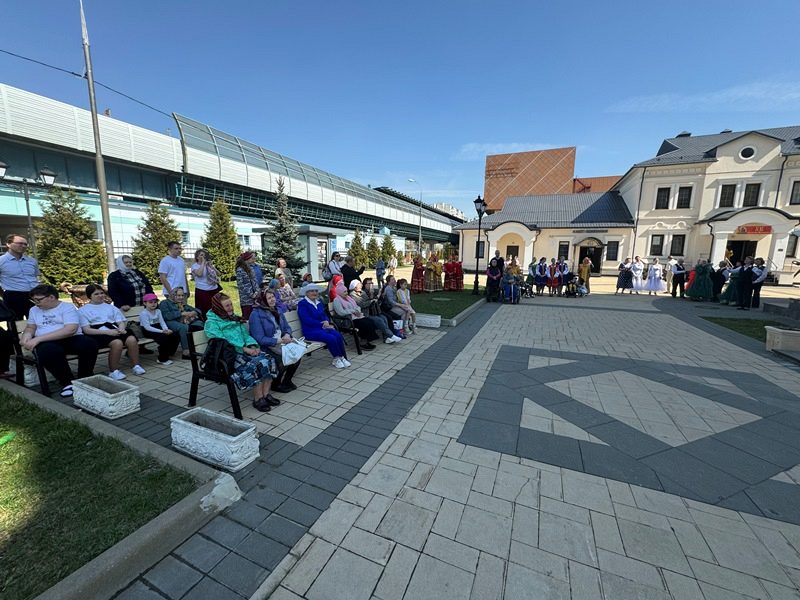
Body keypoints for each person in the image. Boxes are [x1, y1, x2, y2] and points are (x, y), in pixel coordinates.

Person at [20, 284, 98, 397]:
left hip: (69, 338)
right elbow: (31, 327)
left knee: (89, 344)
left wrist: (38, 339)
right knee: (48, 351)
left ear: (51, 297)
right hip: (47, 342)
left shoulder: (67, 307)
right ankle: (67, 382)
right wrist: (26, 336)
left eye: (38, 300)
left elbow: (70, 330)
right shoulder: (34, 310)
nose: (36, 303)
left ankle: (84, 378)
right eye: (33, 300)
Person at [206, 292, 278, 412]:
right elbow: (223, 342)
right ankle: (258, 399)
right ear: (219, 307)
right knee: (257, 364)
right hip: (228, 356)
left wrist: (253, 346)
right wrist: (244, 349)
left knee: (269, 359)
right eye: (227, 306)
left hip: (243, 351)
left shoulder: (233, 318)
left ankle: (265, 395)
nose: (231, 307)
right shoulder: (212, 323)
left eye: (231, 304)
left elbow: (245, 335)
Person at [79, 284, 145, 380]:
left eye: (102, 293)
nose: (100, 295)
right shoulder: (83, 310)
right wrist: (108, 332)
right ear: (90, 296)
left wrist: (121, 328)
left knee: (131, 339)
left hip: (114, 329)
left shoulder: (111, 307)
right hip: (97, 333)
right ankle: (113, 371)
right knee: (117, 343)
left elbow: (120, 321)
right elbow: (87, 330)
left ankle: (136, 366)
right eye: (96, 294)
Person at [249, 289, 301, 394]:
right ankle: (275, 384)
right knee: (281, 360)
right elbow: (259, 338)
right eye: (269, 298)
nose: (273, 299)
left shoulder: (277, 310)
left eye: (273, 297)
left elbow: (287, 327)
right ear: (262, 300)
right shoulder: (256, 314)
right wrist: (277, 340)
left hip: (280, 342)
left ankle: (287, 381)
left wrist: (287, 334)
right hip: (265, 346)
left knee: (296, 355)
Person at [297, 284, 350, 368]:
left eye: (316, 291)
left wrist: (327, 322)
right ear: (306, 293)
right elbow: (306, 320)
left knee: (337, 335)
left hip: (322, 328)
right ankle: (336, 358)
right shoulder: (303, 304)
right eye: (312, 291)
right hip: (310, 331)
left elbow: (324, 315)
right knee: (330, 338)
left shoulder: (319, 303)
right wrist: (322, 323)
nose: (314, 293)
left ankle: (342, 357)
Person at [0, 234, 40, 319]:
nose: (23, 246)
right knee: (16, 323)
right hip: (13, 296)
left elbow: (36, 278)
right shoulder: (1, 261)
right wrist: (4, 295)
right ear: (8, 244)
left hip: (35, 295)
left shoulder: (32, 261)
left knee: (38, 321)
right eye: (20, 243)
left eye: (25, 244)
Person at [332, 282, 380, 349]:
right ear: (340, 292)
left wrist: (357, 311)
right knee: (364, 324)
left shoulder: (348, 298)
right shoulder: (337, 300)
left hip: (356, 317)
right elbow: (341, 312)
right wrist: (353, 311)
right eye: (344, 292)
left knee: (370, 321)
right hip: (347, 320)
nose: (346, 293)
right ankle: (362, 343)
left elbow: (357, 306)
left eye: (346, 291)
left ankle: (365, 340)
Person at [160, 287, 204, 359]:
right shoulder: (165, 303)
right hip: (169, 322)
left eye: (182, 295)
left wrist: (194, 312)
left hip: (182, 321)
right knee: (183, 327)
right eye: (179, 295)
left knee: (199, 323)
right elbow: (166, 316)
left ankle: (199, 347)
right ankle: (186, 352)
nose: (181, 297)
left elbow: (197, 310)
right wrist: (181, 313)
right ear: (173, 295)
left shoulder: (182, 304)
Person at [139, 293, 180, 365]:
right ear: (145, 303)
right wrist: (162, 331)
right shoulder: (144, 313)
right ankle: (162, 359)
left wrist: (166, 329)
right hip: (148, 330)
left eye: (155, 302)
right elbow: (147, 327)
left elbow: (162, 322)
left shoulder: (158, 311)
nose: (153, 304)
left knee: (175, 335)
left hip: (158, 327)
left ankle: (168, 353)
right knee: (163, 338)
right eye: (150, 302)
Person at [191, 249, 221, 317]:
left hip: (214, 289)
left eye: (204, 255)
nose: (203, 257)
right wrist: (203, 264)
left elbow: (218, 274)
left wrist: (212, 267)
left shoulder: (208, 265)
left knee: (215, 308)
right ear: (197, 257)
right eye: (201, 255)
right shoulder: (195, 266)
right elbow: (199, 274)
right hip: (202, 291)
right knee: (204, 310)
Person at [235, 251, 261, 320]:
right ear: (247, 259)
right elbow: (241, 285)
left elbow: (255, 281)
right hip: (246, 300)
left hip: (255, 298)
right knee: (248, 318)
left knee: (256, 317)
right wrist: (251, 295)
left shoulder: (251, 268)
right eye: (252, 258)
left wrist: (257, 291)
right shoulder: (240, 270)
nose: (254, 260)